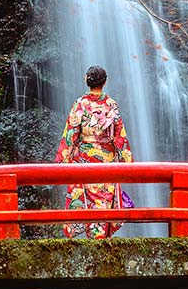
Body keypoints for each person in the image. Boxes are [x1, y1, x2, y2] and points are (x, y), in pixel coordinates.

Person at [54, 65, 134, 239]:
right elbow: (120, 137)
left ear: (86, 80)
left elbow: (71, 134)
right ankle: (101, 236)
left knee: (87, 196)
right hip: (107, 160)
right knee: (104, 198)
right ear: (105, 82)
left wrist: (64, 158)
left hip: (84, 160)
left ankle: (93, 236)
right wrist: (127, 161)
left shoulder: (80, 105)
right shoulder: (111, 105)